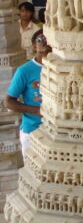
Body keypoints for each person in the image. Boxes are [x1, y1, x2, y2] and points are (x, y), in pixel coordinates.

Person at [5, 30, 51, 158]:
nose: (45, 43)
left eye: (48, 40)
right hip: (32, 128)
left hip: (56, 131)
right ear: (34, 46)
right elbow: (8, 102)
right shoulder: (25, 71)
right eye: (41, 40)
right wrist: (36, 110)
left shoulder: (59, 69)